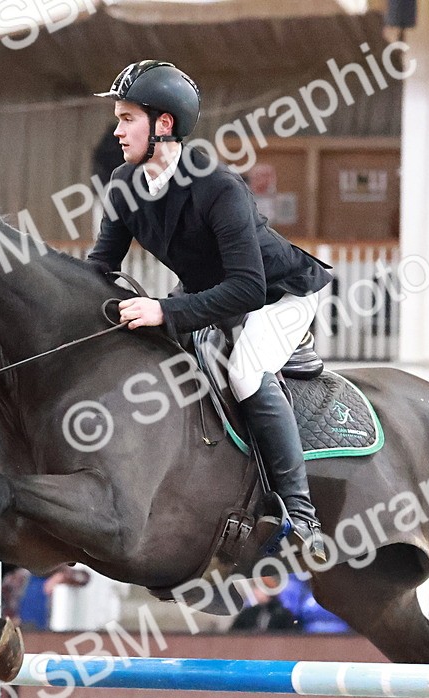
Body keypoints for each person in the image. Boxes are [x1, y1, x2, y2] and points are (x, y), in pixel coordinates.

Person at [86, 60, 332, 561]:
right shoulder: (123, 183)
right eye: (118, 118)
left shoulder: (218, 187)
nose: (117, 130)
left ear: (164, 124)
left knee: (244, 371)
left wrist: (163, 311)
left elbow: (246, 288)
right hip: (211, 293)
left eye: (127, 118)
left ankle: (301, 518)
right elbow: (101, 266)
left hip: (279, 294)